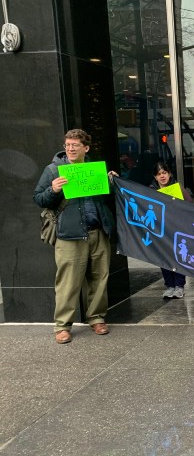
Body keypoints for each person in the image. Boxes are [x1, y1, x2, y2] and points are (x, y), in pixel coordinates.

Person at [33, 129, 116, 344]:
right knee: (68, 282)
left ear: (85, 148)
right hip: (69, 235)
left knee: (99, 278)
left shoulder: (95, 169)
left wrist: (111, 182)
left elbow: (108, 198)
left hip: (97, 231)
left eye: (75, 145)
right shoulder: (53, 170)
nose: (70, 148)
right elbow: (39, 198)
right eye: (67, 145)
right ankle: (62, 326)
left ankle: (97, 318)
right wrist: (53, 189)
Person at [150, 161, 193, 299]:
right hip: (160, 230)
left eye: (164, 173)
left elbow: (190, 205)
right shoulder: (151, 190)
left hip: (177, 228)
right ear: (155, 177)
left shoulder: (178, 188)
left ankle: (179, 286)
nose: (162, 176)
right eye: (159, 174)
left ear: (169, 174)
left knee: (178, 256)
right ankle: (170, 286)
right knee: (164, 257)